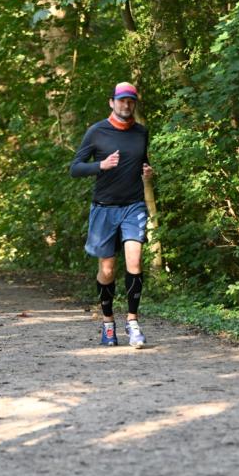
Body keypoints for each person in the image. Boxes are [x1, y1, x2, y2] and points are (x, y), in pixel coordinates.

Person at [70, 82, 153, 348]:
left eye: (131, 101)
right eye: (121, 100)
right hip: (104, 208)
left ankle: (132, 322)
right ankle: (108, 323)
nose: (126, 105)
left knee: (135, 262)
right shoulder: (96, 132)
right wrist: (101, 165)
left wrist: (147, 171)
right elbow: (75, 168)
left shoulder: (141, 132)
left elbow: (142, 160)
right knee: (107, 270)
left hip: (133, 205)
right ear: (111, 102)